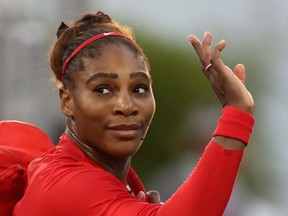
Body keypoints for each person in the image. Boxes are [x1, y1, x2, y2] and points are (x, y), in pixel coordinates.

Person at [13, 11, 255, 215]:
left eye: (139, 88)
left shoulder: (117, 180)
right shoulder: (65, 184)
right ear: (67, 100)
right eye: (103, 89)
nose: (126, 106)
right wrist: (236, 112)